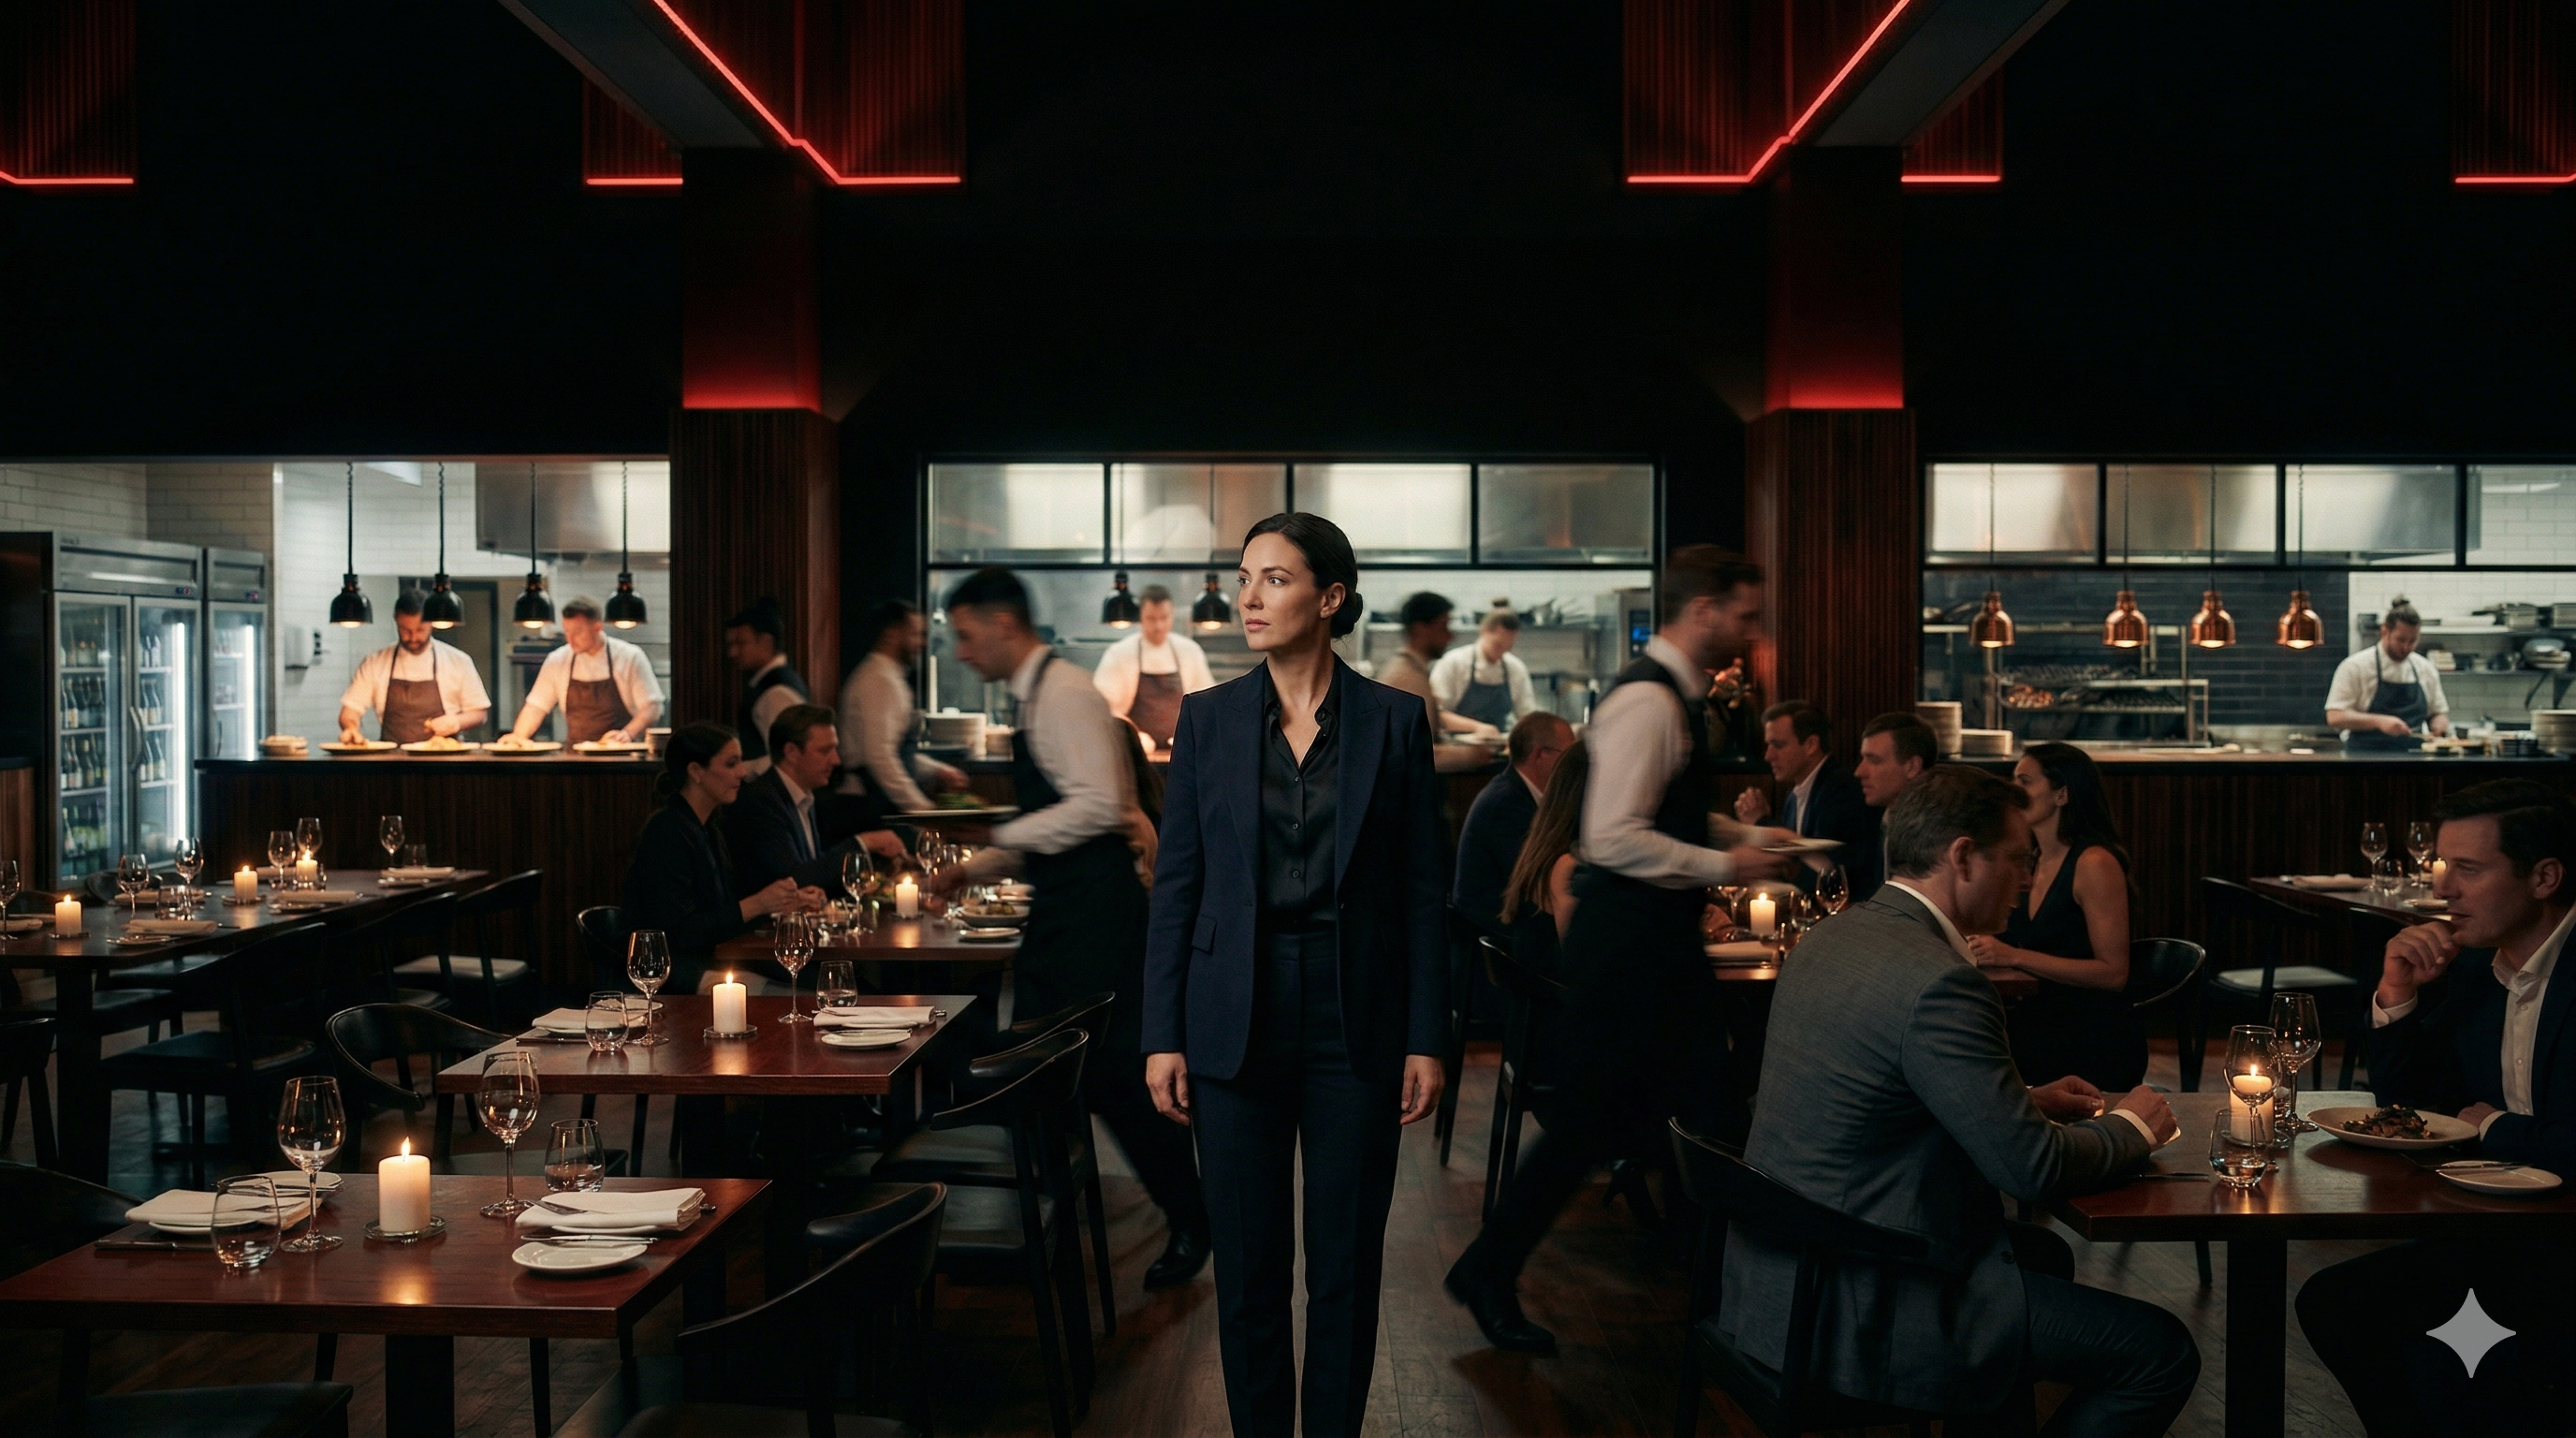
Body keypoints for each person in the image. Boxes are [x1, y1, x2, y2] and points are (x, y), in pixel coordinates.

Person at [1724, 766, 2196, 1433]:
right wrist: (2132, 1128)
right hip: (1868, 1298)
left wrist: (2018, 1098)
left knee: (2044, 1257)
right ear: (1964, 857)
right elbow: (2031, 1169)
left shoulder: (1832, 936)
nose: (2026, 879)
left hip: (1780, 1279)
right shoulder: (1943, 980)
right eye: (2018, 859)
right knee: (2161, 1353)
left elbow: (1875, 1092)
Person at [1142, 512, 1448, 1437]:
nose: (1249, 598)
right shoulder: (1207, 719)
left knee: (1346, 1268)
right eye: (1245, 578)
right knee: (1247, 1268)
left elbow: (1422, 894)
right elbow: (1177, 887)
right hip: (1232, 1014)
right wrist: (1162, 1033)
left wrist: (1427, 1036)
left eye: (1274, 579)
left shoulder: (1395, 721)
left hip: (1358, 1018)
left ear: (1330, 598)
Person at [1446, 546, 1791, 1356]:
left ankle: (1719, 1297)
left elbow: (1655, 816)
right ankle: (1723, 1305)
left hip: (1648, 948)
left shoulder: (1669, 695)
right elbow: (1611, 838)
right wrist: (1727, 864)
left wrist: (1741, 836)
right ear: (1703, 610)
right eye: (1743, 614)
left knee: (1687, 1117)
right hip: (1632, 952)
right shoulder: (1651, 700)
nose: (1751, 630)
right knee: (1645, 1122)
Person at [933, 566, 1210, 1293]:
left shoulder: (1064, 693)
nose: (961, 651)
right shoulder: (1035, 695)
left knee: (1108, 1076)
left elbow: (1098, 806)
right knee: (1051, 1071)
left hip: (1095, 919)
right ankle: (1046, 1225)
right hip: (1067, 913)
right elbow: (1061, 817)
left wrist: (1000, 836)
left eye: (966, 634)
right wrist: (974, 868)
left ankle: (1188, 1218)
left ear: (1002, 623)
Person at [2299, 780, 2576, 1435]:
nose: (2443, 889)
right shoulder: (2479, 967)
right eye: (2443, 865)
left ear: (2544, 877)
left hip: (2562, 1242)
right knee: (2338, 1305)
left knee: (2455, 1367)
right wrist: (2397, 993)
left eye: (2468, 869)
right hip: (2508, 1231)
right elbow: (2418, 1108)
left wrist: (2494, 1127)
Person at [1964, 742, 2147, 1091]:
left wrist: (2014, 956)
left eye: (2025, 782)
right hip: (2040, 1024)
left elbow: (2113, 974)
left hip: (2089, 1037)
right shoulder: (2032, 859)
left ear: (2061, 794)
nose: (2014, 792)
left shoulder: (2094, 862)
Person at [621, 722, 813, 996]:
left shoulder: (709, 826)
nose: (742, 772)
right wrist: (757, 904)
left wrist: (780, 903)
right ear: (696, 772)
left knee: (813, 983)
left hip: (712, 962)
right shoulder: (666, 831)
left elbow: (722, 913)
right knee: (804, 998)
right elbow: (678, 933)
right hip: (672, 973)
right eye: (731, 764)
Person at [720, 703, 904, 896]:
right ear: (791, 752)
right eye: (825, 751)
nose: (836, 760)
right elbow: (793, 881)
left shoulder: (803, 796)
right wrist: (863, 843)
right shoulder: (760, 802)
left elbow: (815, 870)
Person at [1733, 700, 1879, 899]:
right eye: (1768, 745)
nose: (1768, 756)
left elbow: (1826, 876)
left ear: (1811, 745)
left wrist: (1761, 823)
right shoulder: (1793, 796)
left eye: (1778, 745)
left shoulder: (1841, 787)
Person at [837, 599, 964, 814]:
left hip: (879, 799)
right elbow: (880, 758)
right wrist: (921, 809)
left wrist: (938, 770)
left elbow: (896, 752)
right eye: (915, 634)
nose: (922, 643)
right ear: (891, 635)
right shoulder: (879, 679)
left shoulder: (888, 677)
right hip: (868, 805)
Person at [1452, 712, 1574, 934]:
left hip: (1514, 917)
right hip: (1493, 931)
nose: (1572, 766)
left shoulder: (1520, 792)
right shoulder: (1505, 804)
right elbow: (1534, 880)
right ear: (1539, 754)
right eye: (1568, 756)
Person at [337, 589, 491, 744]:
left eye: (420, 630)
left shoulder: (458, 661)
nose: (413, 637)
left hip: (444, 755)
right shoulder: (375, 663)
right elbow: (350, 711)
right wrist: (351, 728)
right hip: (391, 756)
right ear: (396, 620)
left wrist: (456, 721)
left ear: (431, 623)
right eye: (405, 630)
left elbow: (479, 713)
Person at [505, 595, 663, 745]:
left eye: (578, 632)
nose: (570, 639)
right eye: (567, 631)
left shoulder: (629, 657)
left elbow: (652, 707)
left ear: (597, 627)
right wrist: (518, 737)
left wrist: (627, 733)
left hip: (621, 755)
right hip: (574, 757)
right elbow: (536, 707)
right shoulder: (557, 660)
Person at [1092, 583, 1218, 752]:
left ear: (1172, 616)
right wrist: (1134, 736)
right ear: (1140, 617)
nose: (1158, 626)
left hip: (1183, 752)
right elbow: (1102, 709)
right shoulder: (1120, 654)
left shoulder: (1190, 651)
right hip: (1135, 753)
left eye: (1164, 618)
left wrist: (1191, 735)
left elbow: (1207, 704)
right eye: (1151, 619)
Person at [1374, 591, 1503, 747]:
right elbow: (1415, 752)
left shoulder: (1414, 670)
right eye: (1443, 627)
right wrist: (1472, 754)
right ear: (1420, 629)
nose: (1450, 636)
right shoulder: (1406, 678)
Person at [2326, 594, 2451, 752]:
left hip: (2415, 758)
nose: (2407, 647)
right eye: (2401, 640)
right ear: (2384, 631)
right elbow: (2335, 716)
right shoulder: (2355, 667)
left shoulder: (2425, 669)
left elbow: (2437, 713)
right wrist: (2379, 721)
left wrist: (2439, 727)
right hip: (2365, 759)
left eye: (2413, 641)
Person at [1851, 711, 1938, 902]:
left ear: (1912, 767)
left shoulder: (1934, 831)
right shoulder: (1882, 817)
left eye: (1874, 760)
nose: (1859, 772)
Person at [724, 596, 808, 774]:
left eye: (741, 643)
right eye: (731, 644)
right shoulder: (773, 684)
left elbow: (789, 757)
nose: (732, 652)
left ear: (766, 642)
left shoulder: (775, 691)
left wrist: (741, 769)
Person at [1430, 608, 1540, 731]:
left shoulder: (1515, 668)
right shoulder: (1453, 662)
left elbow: (1527, 715)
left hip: (1500, 738)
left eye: (1508, 647)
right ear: (1483, 631)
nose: (1502, 652)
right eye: (1498, 645)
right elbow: (1435, 713)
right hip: (1456, 740)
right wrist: (1477, 727)